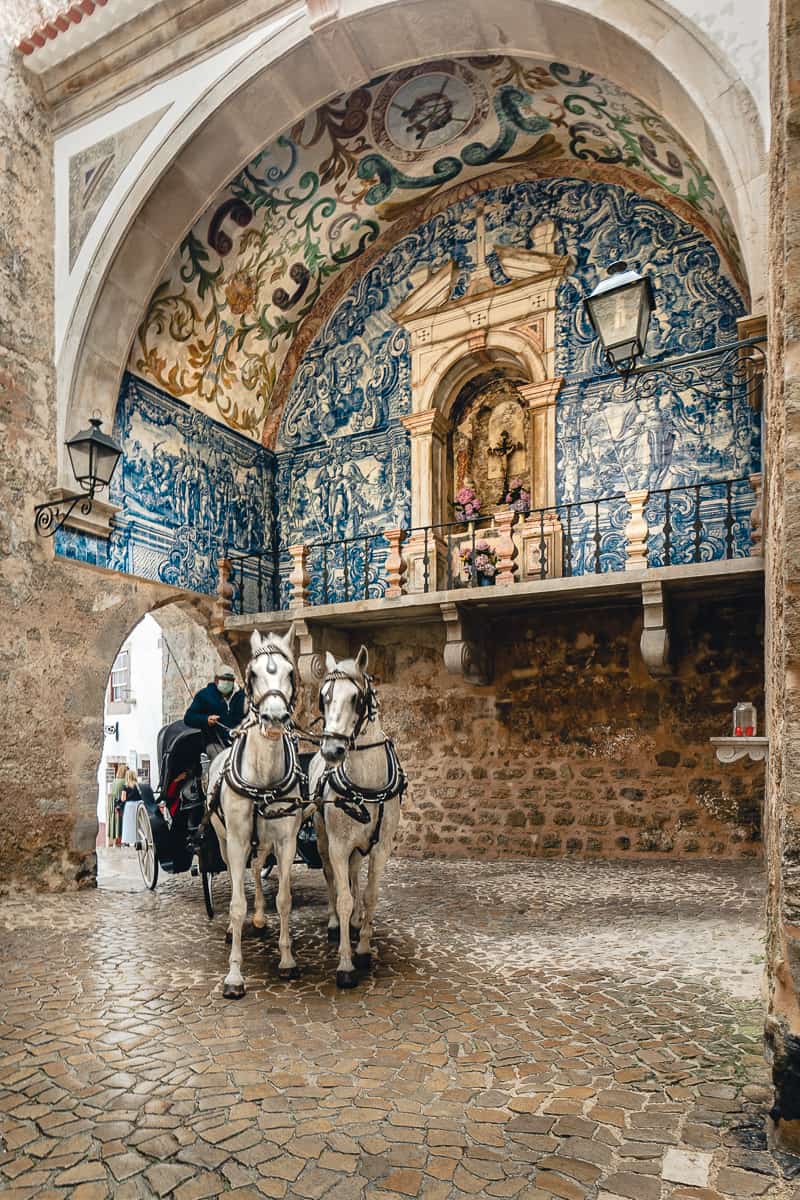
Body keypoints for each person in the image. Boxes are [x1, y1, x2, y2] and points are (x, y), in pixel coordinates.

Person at [184, 668, 245, 760]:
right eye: (223, 679)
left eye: (230, 680)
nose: (227, 682)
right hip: (214, 742)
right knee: (220, 761)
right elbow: (189, 717)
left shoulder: (242, 696)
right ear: (216, 680)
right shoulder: (204, 695)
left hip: (239, 741)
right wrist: (206, 719)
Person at [120, 768, 141, 846]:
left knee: (128, 824)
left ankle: (127, 841)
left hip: (130, 806)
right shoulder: (138, 785)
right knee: (137, 823)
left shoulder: (125, 786)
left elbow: (123, 799)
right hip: (139, 805)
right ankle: (138, 840)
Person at [108, 764, 127, 846]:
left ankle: (115, 842)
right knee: (120, 822)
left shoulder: (114, 781)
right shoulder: (124, 782)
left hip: (112, 804)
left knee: (114, 822)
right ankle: (121, 841)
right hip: (120, 804)